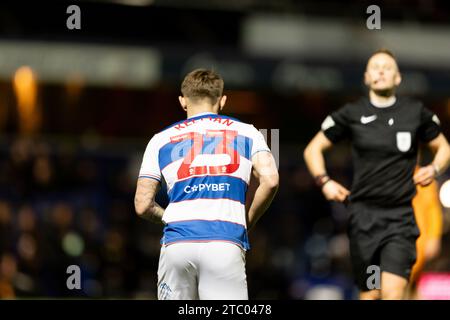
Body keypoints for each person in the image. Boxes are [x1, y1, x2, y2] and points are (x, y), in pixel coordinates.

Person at [303, 49, 450, 300]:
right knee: (371, 294)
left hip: (400, 219)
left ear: (398, 78)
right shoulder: (351, 113)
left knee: (393, 293)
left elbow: (444, 147)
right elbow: (313, 149)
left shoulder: (415, 113)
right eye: (375, 67)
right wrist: (324, 181)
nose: (381, 71)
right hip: (364, 220)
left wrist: (434, 167)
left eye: (387, 67)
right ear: (366, 77)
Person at [134, 69, 279, 300]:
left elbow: (142, 205)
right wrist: (246, 221)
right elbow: (271, 181)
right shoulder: (249, 133)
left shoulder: (160, 139)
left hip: (177, 244)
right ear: (222, 101)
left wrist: (169, 217)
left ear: (182, 101)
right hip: (225, 241)